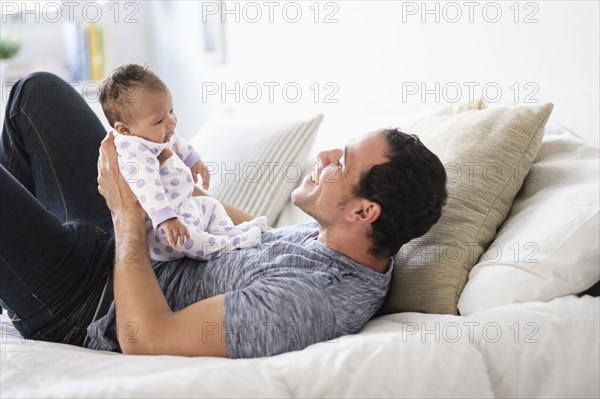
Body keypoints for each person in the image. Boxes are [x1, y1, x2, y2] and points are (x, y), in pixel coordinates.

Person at [0, 72, 447, 358]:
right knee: (36, 94)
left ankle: (24, 289)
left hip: (94, 302)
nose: (326, 153)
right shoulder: (331, 243)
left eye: (342, 162)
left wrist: (128, 214)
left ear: (365, 210)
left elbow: (147, 337)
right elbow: (244, 233)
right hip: (136, 244)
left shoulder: (309, 301)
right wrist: (165, 179)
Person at [99, 64, 267, 261]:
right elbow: (149, 189)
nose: (171, 121)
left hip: (185, 206)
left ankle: (229, 232)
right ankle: (229, 245)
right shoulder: (133, 152)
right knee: (189, 239)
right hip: (162, 229)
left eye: (171, 110)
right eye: (160, 120)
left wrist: (194, 161)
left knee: (211, 205)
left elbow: (178, 143)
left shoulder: (153, 132)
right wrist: (167, 219)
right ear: (125, 129)